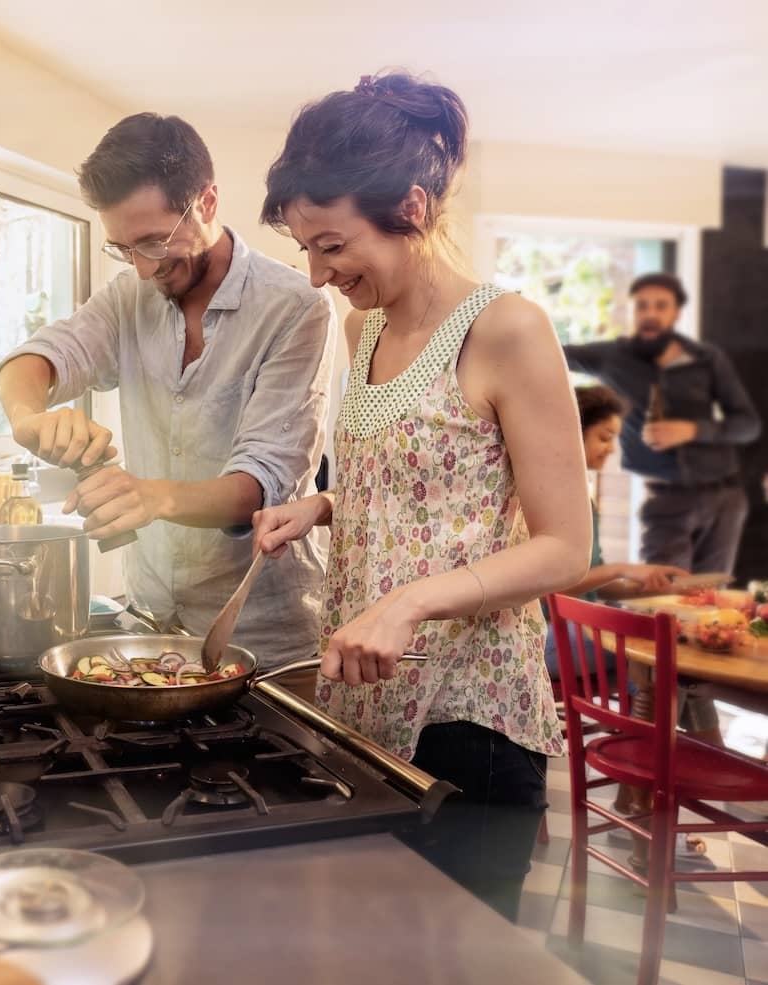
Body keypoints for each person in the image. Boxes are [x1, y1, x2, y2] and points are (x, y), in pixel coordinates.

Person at [252, 71, 592, 921]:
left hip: (467, 710)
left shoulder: (504, 328)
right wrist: (321, 506)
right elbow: (413, 476)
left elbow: (563, 545)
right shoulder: (358, 325)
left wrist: (407, 602)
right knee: (366, 941)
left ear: (408, 205)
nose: (319, 274)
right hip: (362, 696)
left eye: (331, 244)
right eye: (307, 249)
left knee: (456, 958)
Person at [0, 113, 337, 667]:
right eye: (123, 248)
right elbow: (37, 359)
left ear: (206, 202)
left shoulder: (296, 307)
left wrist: (153, 497)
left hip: (263, 636)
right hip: (152, 624)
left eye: (154, 241)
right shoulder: (128, 297)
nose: (142, 268)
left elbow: (262, 483)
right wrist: (28, 416)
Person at [564, 273, 761, 741]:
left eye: (661, 305)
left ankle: (687, 748)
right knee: (673, 627)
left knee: (707, 617)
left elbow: (747, 424)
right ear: (635, 312)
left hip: (725, 493)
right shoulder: (615, 357)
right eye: (643, 305)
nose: (651, 312)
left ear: (675, 313)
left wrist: (693, 431)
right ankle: (671, 747)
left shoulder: (706, 359)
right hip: (667, 500)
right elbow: (549, 352)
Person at [543, 384, 688, 680]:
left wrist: (644, 585)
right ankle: (647, 723)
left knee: (679, 650)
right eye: (604, 437)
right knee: (669, 650)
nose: (611, 448)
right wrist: (622, 568)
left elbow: (593, 583)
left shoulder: (584, 498)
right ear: (572, 433)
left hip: (579, 628)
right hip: (545, 639)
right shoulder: (550, 497)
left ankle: (664, 724)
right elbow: (547, 589)